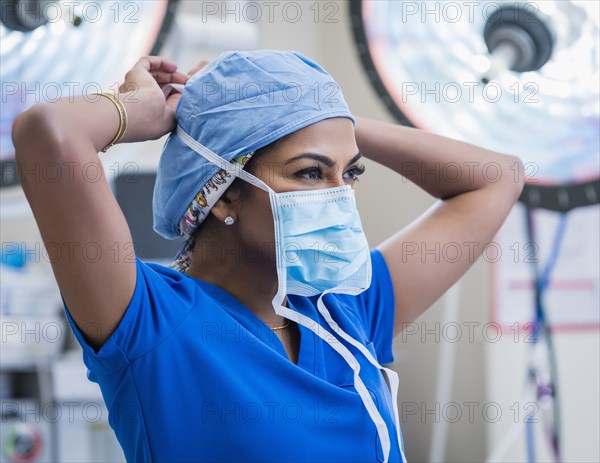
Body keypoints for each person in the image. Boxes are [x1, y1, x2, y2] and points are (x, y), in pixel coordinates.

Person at [13, 50, 524, 462]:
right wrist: (141, 109)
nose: (340, 195)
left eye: (350, 173)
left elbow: (498, 177)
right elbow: (48, 134)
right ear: (225, 192)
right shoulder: (150, 322)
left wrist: (314, 110)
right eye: (309, 173)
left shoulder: (344, 311)